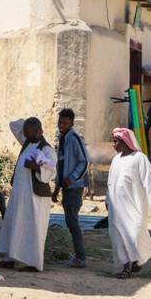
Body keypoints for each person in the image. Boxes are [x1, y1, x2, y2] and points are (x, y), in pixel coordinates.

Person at [0, 117, 56, 272]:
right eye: (26, 133)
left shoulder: (47, 149)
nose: (25, 135)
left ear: (39, 131)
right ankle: (11, 258)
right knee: (15, 224)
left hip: (34, 197)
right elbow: (13, 124)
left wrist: (35, 167)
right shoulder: (28, 142)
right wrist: (28, 125)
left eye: (30, 132)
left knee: (32, 228)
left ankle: (33, 263)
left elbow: (51, 172)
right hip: (19, 194)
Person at [105, 127, 151, 279]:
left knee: (136, 232)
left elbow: (148, 181)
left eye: (115, 142)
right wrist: (107, 199)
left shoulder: (139, 158)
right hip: (116, 207)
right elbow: (110, 182)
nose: (113, 145)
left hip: (134, 205)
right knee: (118, 236)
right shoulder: (115, 160)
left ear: (124, 142)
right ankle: (126, 267)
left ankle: (138, 259)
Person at [52, 108, 91, 268]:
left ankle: (81, 257)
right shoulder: (62, 139)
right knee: (69, 221)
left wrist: (72, 178)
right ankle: (78, 255)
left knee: (72, 221)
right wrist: (57, 188)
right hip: (66, 187)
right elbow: (60, 165)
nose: (61, 125)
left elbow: (84, 162)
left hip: (75, 187)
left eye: (65, 123)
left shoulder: (74, 138)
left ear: (72, 123)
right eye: (60, 122)